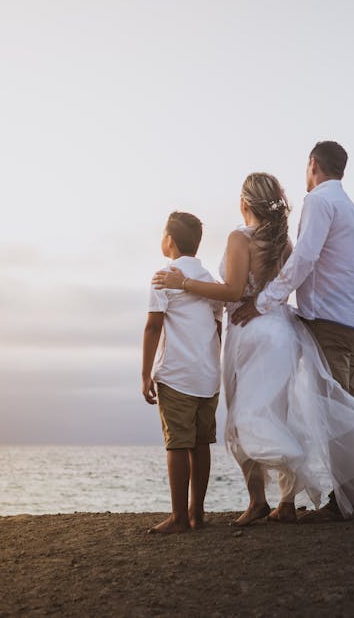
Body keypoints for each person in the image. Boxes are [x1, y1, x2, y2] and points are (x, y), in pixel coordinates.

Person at [154, 169, 354, 525]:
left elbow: (234, 291)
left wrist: (185, 283)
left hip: (250, 331)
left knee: (242, 419)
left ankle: (258, 499)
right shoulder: (283, 243)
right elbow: (286, 285)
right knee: (279, 414)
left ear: (244, 203)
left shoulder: (240, 238)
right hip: (283, 332)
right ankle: (285, 502)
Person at [230, 141, 354, 522]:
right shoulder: (351, 208)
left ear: (313, 164)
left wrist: (263, 301)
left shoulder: (319, 201)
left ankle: (343, 505)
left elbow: (304, 259)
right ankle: (352, 498)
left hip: (330, 321)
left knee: (336, 412)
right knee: (351, 410)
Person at [141, 211, 223, 534]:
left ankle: (178, 517)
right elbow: (217, 328)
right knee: (200, 444)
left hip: (176, 374)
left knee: (176, 444)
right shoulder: (209, 281)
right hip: (207, 376)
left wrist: (145, 374)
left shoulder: (163, 276)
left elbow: (152, 327)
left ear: (170, 241)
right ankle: (196, 514)